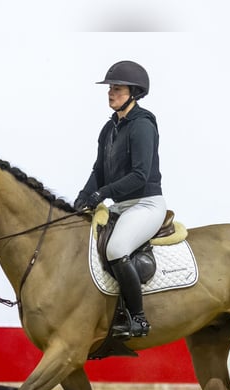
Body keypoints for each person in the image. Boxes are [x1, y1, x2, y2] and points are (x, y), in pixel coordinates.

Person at [74, 60, 166, 339]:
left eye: (117, 88)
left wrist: (102, 194)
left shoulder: (142, 125)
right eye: (110, 88)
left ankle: (138, 318)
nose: (110, 93)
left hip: (145, 204)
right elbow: (98, 171)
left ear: (134, 93)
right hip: (121, 206)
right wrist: (81, 198)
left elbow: (139, 175)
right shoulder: (109, 128)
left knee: (116, 248)